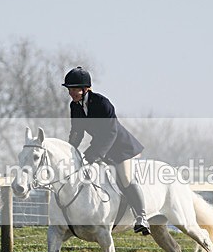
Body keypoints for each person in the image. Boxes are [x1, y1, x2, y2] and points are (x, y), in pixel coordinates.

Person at [63, 66, 151, 235]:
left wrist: (95, 154)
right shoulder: (74, 106)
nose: (71, 93)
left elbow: (110, 133)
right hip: (100, 146)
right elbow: (77, 131)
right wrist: (70, 150)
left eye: (74, 89)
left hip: (121, 148)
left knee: (125, 178)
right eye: (69, 89)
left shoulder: (102, 103)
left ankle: (142, 217)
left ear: (85, 89)